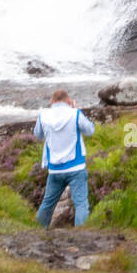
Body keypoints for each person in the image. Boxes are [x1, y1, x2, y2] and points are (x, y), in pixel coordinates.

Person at [34, 89, 95, 229]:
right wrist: (76, 109)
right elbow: (90, 130)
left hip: (54, 169)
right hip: (76, 167)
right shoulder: (75, 114)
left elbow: (38, 134)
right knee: (81, 204)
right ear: (68, 101)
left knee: (48, 203)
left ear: (52, 101)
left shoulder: (43, 115)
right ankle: (81, 234)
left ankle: (37, 231)